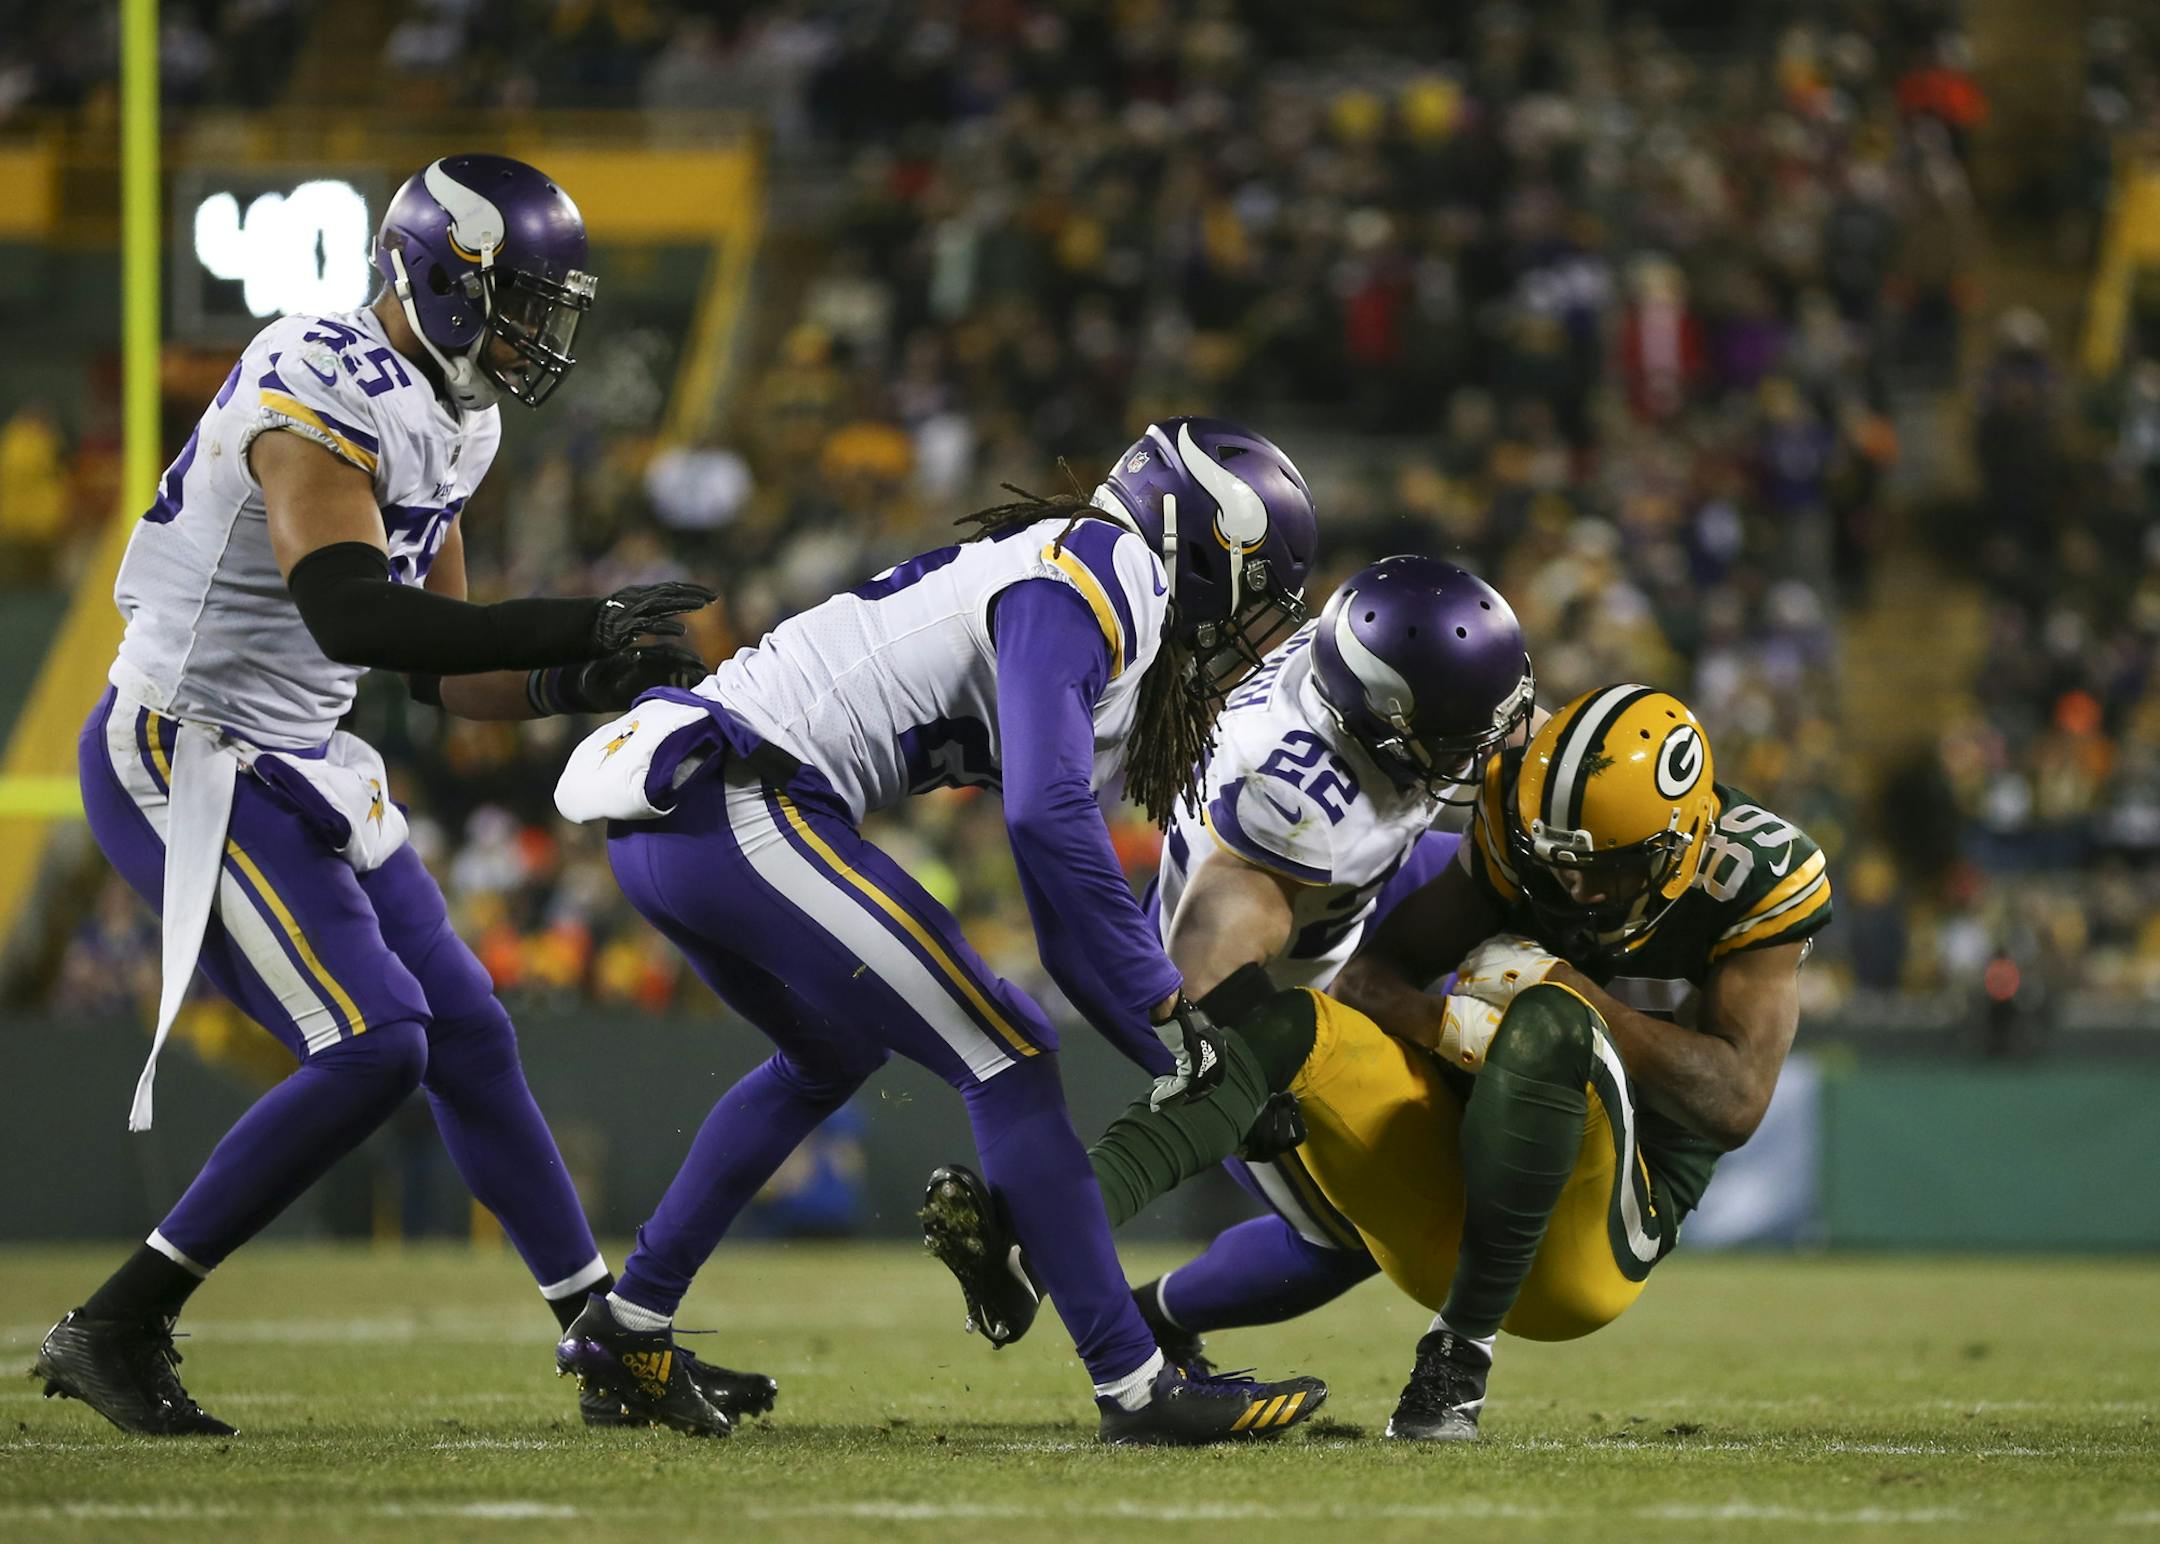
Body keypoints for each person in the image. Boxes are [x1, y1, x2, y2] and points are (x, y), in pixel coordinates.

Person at [34, 154, 774, 1438]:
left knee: (470, 1034)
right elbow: (354, 610)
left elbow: (453, 662)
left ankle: (606, 1344)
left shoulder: (463, 410)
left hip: (303, 753)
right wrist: (580, 610)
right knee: (379, 1042)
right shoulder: (313, 373)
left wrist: (584, 673)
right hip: (187, 750)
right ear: (434, 277)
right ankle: (117, 1318)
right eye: (519, 299)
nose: (538, 333)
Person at [551, 418, 1329, 1444]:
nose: (1248, 629)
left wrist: (1173, 1045)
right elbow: (1047, 821)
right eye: (1252, 591)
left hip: (684, 814)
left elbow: (1063, 915)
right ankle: (1136, 1384)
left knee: (831, 1051)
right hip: (743, 797)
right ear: (1202, 547)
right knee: (1007, 1051)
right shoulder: (1098, 573)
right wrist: (1175, 1017)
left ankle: (629, 1326)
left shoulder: (1080, 579)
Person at [926, 685, 1831, 1441]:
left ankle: (1455, 1366)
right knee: (1290, 1023)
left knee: (1551, 1022)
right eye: (1559, 864)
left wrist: (1569, 996)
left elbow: (1736, 1102)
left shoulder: (1756, 879)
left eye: (1609, 869)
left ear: (1682, 842)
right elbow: (1369, 976)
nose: (1578, 890)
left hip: (1590, 1238)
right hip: (1459, 1162)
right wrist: (1458, 1031)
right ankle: (1040, 1239)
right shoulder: (1519, 839)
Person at [922, 556, 1536, 1361]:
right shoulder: (1298, 808)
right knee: (1346, 1238)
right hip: (1253, 967)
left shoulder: (1350, 661)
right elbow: (1200, 973)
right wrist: (1247, 1082)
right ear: (1380, 721)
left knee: (1512, 876)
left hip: (1341, 903)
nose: (1476, 752)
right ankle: (1058, 1262)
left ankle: (1049, 1252)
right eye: (1457, 738)